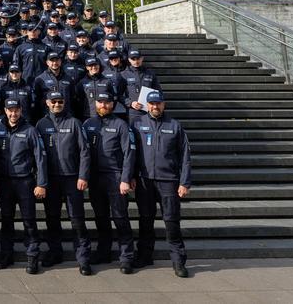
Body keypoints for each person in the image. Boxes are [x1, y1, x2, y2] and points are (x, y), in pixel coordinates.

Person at [132, 90, 192, 278]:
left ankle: (178, 261)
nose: (155, 107)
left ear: (163, 105)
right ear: (147, 105)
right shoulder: (138, 124)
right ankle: (144, 256)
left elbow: (185, 157)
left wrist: (184, 182)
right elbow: (131, 155)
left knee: (172, 222)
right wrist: (131, 176)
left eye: (158, 103)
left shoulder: (174, 126)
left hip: (169, 181)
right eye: (151, 104)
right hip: (145, 181)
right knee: (145, 220)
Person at [36, 90, 93, 274]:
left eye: (60, 101)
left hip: (72, 179)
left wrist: (83, 176)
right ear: (47, 103)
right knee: (52, 219)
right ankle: (55, 252)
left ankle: (83, 257)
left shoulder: (75, 123)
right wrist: (41, 181)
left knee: (77, 220)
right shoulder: (41, 125)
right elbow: (37, 156)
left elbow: (85, 151)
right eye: (53, 101)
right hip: (51, 180)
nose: (57, 104)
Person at [82, 92, 137, 272]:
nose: (103, 105)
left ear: (112, 104)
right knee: (101, 217)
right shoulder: (88, 124)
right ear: (95, 103)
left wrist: (126, 179)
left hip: (115, 177)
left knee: (120, 217)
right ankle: (103, 252)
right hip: (96, 178)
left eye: (106, 102)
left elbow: (129, 154)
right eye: (100, 102)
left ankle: (126, 256)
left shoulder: (121, 125)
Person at [0, 99, 47, 273]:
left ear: (21, 111)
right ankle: (6, 255)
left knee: (29, 221)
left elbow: (40, 158)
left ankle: (32, 256)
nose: (13, 114)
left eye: (16, 110)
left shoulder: (30, 130)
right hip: (5, 182)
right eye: (10, 110)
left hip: (25, 181)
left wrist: (41, 183)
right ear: (5, 111)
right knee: (6, 221)